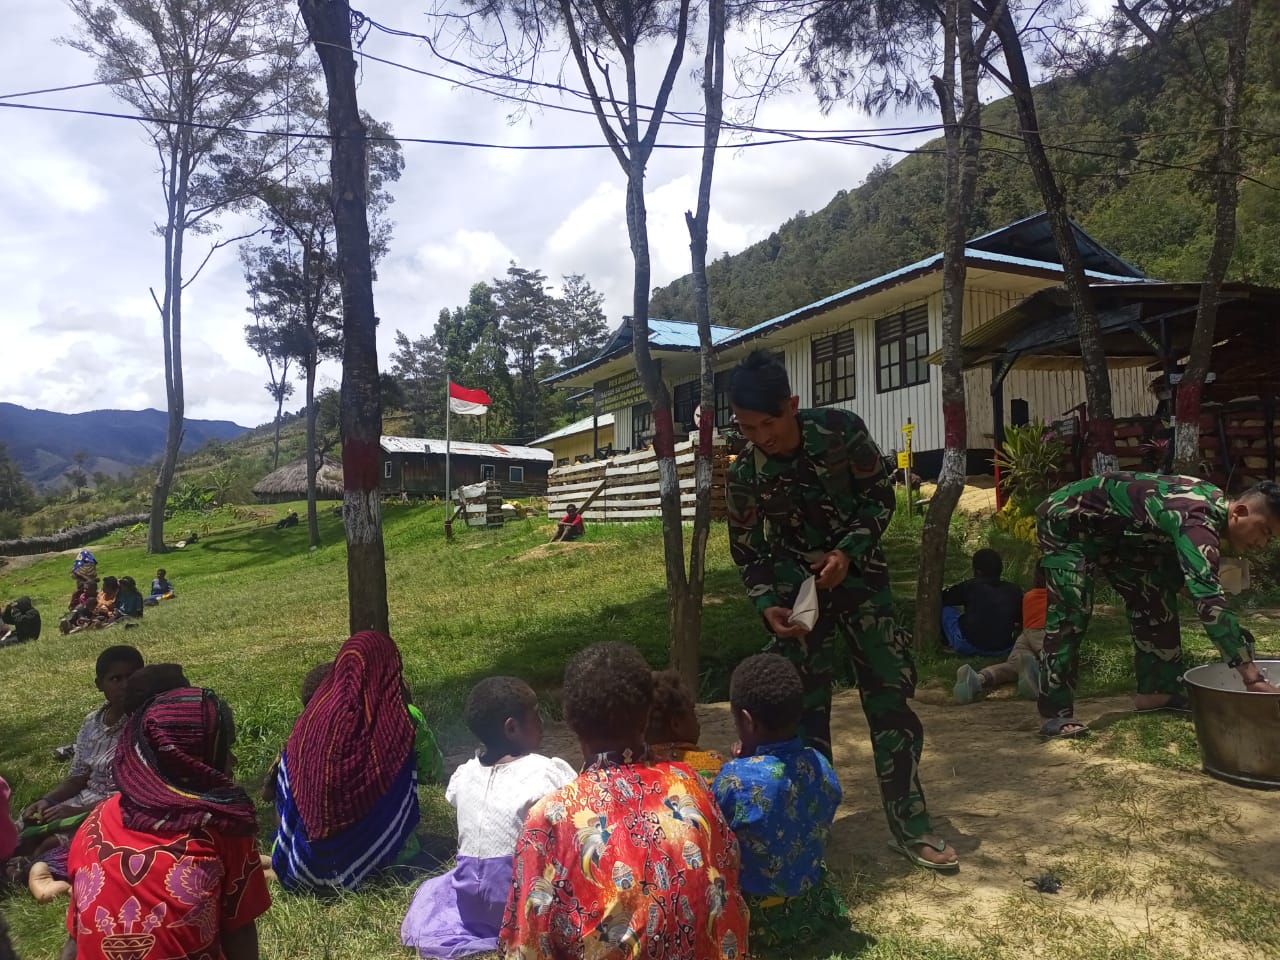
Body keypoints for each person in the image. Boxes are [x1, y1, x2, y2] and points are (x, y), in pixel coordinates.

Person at [724, 349, 957, 870]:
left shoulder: (841, 431)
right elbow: (745, 546)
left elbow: (881, 496)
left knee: (891, 701)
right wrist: (766, 604)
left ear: (793, 404)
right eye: (747, 427)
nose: (762, 437)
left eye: (770, 423)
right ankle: (810, 827)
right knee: (801, 717)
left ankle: (911, 823)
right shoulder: (744, 473)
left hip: (863, 585)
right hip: (797, 603)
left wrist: (847, 552)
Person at [499, 642, 750, 959]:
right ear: (646, 717)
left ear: (571, 723)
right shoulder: (689, 784)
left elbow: (527, 946)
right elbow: (729, 877)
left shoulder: (550, 819)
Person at [1035, 474, 1280, 739]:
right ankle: (1055, 713)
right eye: (1265, 531)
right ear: (1240, 512)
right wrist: (1251, 677)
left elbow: (1188, 580)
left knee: (1153, 594)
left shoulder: (1210, 507)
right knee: (1071, 612)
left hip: (1118, 536)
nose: (1263, 543)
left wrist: (1227, 626)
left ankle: (1157, 693)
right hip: (1066, 522)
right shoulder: (1197, 518)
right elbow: (1208, 599)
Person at [59, 687, 271, 960]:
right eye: (226, 748)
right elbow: (239, 933)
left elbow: (75, 940)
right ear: (194, 759)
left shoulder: (95, 824)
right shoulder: (223, 826)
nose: (233, 761)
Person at [401, 677, 575, 958]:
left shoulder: (465, 774)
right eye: (536, 714)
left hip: (469, 901)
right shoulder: (546, 773)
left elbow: (457, 800)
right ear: (512, 727)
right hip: (519, 903)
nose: (543, 721)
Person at [271, 631, 422, 892]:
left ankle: (260, 863)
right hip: (376, 867)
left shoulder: (308, 723)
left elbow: (282, 790)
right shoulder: (399, 724)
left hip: (300, 865)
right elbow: (432, 770)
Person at [713, 653, 844, 948]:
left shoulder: (734, 778)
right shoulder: (820, 764)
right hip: (812, 906)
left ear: (746, 720)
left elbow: (716, 838)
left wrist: (742, 763)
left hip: (756, 920)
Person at [21, 645, 145, 842]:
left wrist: (78, 811)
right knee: (22, 832)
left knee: (51, 843)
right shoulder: (92, 723)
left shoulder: (143, 724)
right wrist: (48, 800)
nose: (125, 685)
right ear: (99, 684)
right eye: (115, 679)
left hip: (117, 809)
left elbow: (139, 792)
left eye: (132, 677)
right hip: (82, 800)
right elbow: (77, 778)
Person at [955, 564, 1047, 703]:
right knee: (1055, 662)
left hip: (1026, 635)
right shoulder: (1061, 597)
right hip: (1046, 632)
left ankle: (977, 679)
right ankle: (1035, 675)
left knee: (1012, 666)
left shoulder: (1029, 596)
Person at [646, 669, 726, 783]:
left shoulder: (637, 767)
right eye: (692, 712)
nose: (697, 719)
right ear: (676, 723)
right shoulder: (714, 762)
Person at [940, 548, 1023, 657]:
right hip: (1004, 648)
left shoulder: (970, 586)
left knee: (946, 610)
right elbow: (1018, 617)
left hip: (968, 645)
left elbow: (945, 598)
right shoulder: (1014, 590)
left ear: (977, 571)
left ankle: (944, 640)